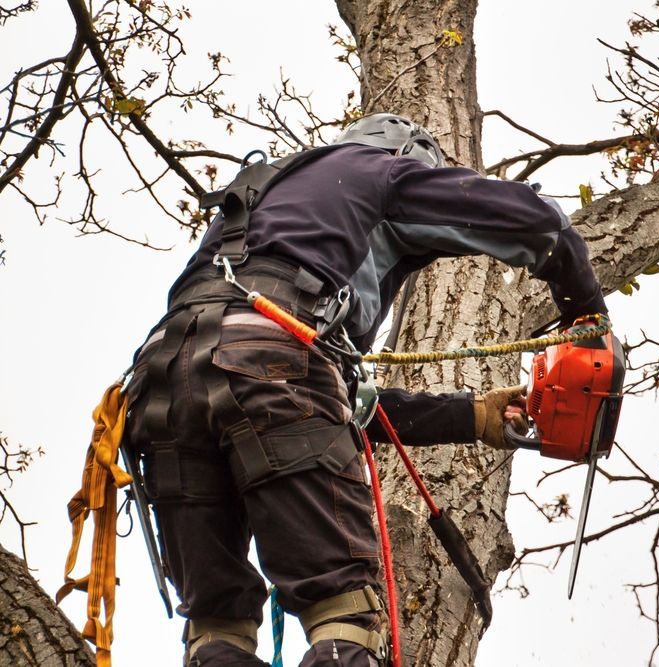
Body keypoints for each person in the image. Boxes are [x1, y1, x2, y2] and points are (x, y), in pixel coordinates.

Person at [124, 113, 608, 667]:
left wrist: (474, 415)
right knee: (344, 617)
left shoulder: (267, 205)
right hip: (271, 361)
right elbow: (534, 222)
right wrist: (585, 312)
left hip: (159, 386)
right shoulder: (377, 173)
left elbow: (326, 413)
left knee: (217, 626)